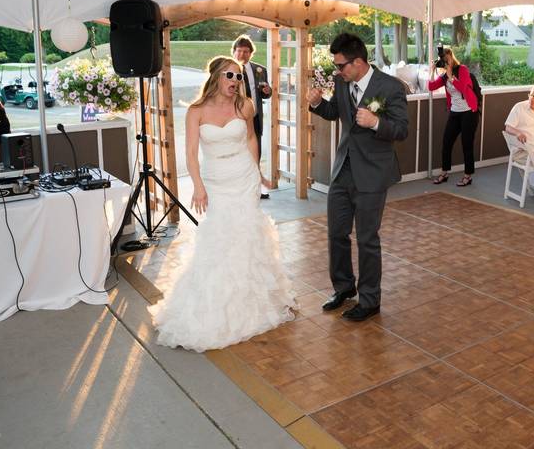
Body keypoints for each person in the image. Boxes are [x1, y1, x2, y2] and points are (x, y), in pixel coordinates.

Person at [149, 56, 295, 351]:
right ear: (216, 75)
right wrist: (199, 187)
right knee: (219, 237)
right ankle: (216, 302)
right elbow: (190, 153)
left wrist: (257, 171)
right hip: (216, 180)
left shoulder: (245, 106)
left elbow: (252, 139)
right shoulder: (196, 111)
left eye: (239, 77)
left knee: (247, 234)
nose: (235, 82)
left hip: (244, 176)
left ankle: (251, 300)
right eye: (230, 75)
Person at [307, 33, 408, 322]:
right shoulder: (342, 82)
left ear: (359, 62)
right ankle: (343, 288)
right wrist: (316, 103)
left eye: (341, 66)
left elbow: (401, 129)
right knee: (336, 233)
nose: (337, 72)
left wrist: (377, 123)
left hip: (373, 174)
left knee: (366, 239)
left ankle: (370, 300)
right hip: (343, 170)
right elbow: (335, 112)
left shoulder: (390, 87)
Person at [428, 47, 479, 187]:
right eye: (442, 59)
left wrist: (451, 76)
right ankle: (444, 173)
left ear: (450, 56)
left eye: (446, 58)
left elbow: (463, 88)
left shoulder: (462, 69)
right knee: (446, 142)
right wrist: (432, 71)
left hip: (469, 112)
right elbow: (431, 87)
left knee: (466, 145)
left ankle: (468, 176)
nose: (444, 61)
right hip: (455, 112)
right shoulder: (444, 76)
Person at [231, 35, 272, 198]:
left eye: (246, 51)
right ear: (233, 52)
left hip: (255, 119)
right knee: (238, 154)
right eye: (239, 51)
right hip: (235, 120)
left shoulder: (260, 70)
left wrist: (267, 92)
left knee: (256, 153)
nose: (242, 54)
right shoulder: (228, 71)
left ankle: (256, 188)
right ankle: (240, 189)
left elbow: (264, 94)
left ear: (251, 53)